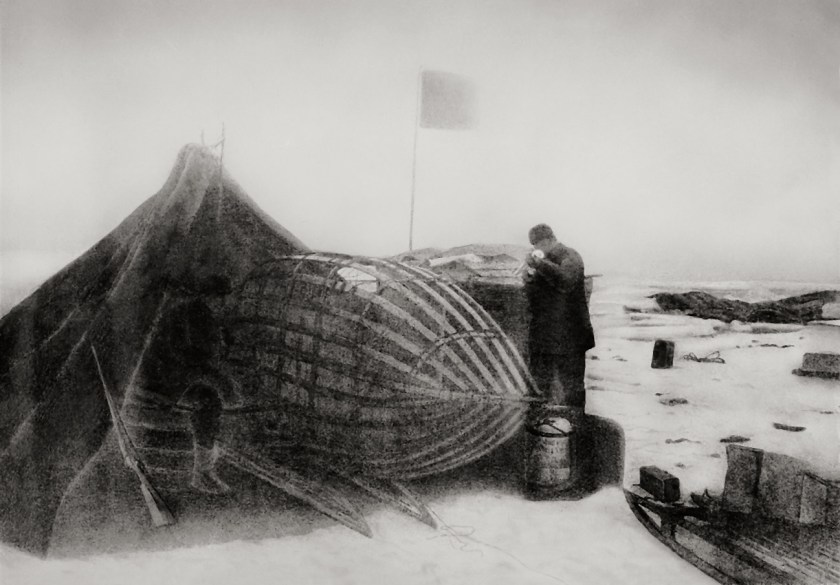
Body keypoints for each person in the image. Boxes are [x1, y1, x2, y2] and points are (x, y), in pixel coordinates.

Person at [523, 223, 594, 409]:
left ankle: (576, 426)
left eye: (537, 245)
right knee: (541, 386)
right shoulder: (546, 261)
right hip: (546, 335)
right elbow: (537, 296)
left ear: (547, 240)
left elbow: (566, 280)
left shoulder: (570, 256)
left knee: (572, 387)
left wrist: (539, 264)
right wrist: (529, 279)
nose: (536, 250)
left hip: (571, 335)